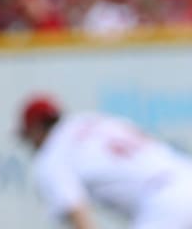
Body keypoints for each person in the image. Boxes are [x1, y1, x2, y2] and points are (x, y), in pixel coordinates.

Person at [18, 95, 192, 227]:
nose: (29, 142)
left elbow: (77, 212)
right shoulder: (91, 120)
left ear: (36, 129)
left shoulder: (52, 156)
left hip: (165, 204)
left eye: (28, 135)